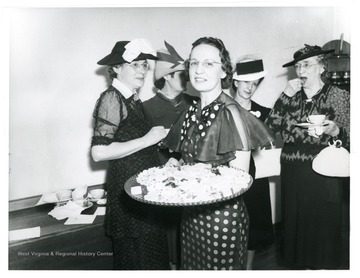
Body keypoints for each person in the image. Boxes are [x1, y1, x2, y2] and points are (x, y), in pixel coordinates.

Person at [164, 37, 275, 270]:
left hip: (221, 219)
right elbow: (192, 158)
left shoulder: (231, 113)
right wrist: (177, 164)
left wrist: (194, 172)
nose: (199, 70)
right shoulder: (190, 111)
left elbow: (240, 178)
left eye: (208, 64)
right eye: (194, 63)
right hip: (191, 215)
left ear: (224, 72)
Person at [265, 44, 350, 269]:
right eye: (298, 66)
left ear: (322, 67)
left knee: (324, 221)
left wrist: (337, 131)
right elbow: (269, 128)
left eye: (307, 65)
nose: (301, 70)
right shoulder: (290, 96)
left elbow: (351, 132)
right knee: (296, 222)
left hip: (325, 169)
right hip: (293, 169)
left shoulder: (339, 95)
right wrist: (284, 95)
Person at [91, 38, 170, 270]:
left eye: (145, 65)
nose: (142, 70)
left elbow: (134, 143)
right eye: (135, 64)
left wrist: (161, 147)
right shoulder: (111, 98)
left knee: (150, 255)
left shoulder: (132, 99)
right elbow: (99, 152)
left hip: (142, 190)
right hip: (128, 193)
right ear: (116, 68)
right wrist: (147, 139)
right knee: (137, 259)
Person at [143, 41, 197, 269]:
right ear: (165, 77)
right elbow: (143, 148)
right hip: (162, 180)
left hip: (193, 177)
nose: (186, 79)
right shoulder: (146, 108)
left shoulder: (194, 104)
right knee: (168, 230)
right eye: (179, 74)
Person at [232, 57, 274, 269]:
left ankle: (247, 270)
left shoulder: (265, 113)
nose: (250, 87)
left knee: (254, 227)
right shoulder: (222, 109)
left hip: (255, 178)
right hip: (228, 176)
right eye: (246, 81)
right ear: (235, 81)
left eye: (254, 83)